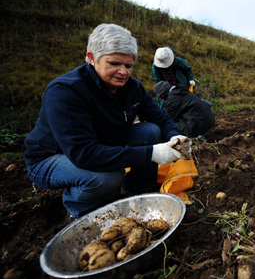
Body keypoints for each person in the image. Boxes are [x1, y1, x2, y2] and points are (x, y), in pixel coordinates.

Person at [24, 23, 192, 219]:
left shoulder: (132, 88)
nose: (123, 72)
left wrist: (176, 137)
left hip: (101, 142)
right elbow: (84, 154)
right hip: (52, 157)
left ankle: (136, 191)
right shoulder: (65, 92)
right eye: (114, 64)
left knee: (151, 131)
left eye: (128, 66)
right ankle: (78, 206)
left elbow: (161, 119)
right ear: (92, 58)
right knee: (107, 177)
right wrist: (152, 154)